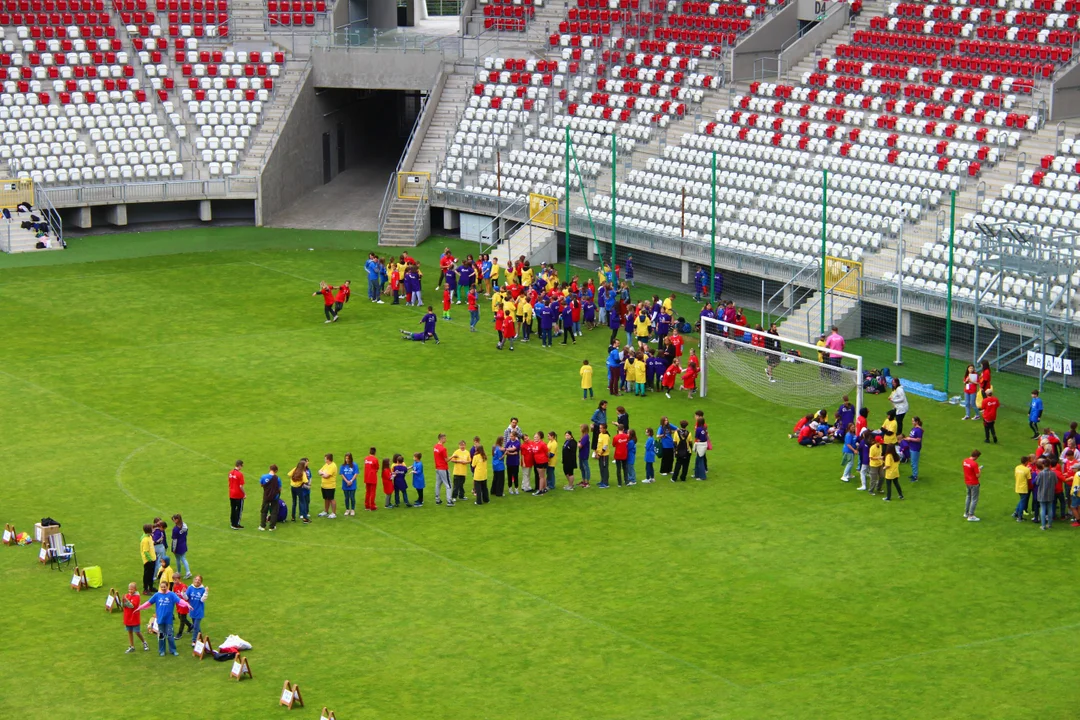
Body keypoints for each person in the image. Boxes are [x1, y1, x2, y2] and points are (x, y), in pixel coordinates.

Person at [136, 580, 190, 657]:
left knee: (170, 635)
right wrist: (140, 608)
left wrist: (187, 604)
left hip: (168, 620)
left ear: (167, 586)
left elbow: (180, 601)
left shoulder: (171, 595)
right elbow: (148, 603)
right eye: (162, 587)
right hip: (160, 620)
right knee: (161, 636)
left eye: (164, 587)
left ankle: (173, 650)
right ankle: (162, 650)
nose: (163, 588)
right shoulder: (157, 595)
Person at [121, 582, 149, 653]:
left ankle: (144, 642)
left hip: (134, 617)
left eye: (132, 589)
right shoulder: (127, 595)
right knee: (129, 631)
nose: (130, 591)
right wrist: (122, 601)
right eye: (129, 589)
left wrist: (126, 600)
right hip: (128, 617)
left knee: (137, 632)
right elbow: (123, 605)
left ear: (135, 589)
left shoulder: (137, 597)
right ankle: (132, 646)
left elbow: (132, 606)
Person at [183, 575, 208, 644]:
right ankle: (200, 637)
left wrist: (206, 592)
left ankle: (194, 640)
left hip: (199, 611)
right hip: (192, 610)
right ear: (193, 580)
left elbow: (202, 600)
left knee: (195, 626)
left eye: (199, 580)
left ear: (201, 582)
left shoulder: (202, 589)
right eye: (196, 579)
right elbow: (186, 598)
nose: (197, 581)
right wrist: (183, 593)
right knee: (196, 626)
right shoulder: (190, 588)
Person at [1034, 458, 1057, 529]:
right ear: (1050, 465)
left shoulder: (1041, 473)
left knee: (1043, 508)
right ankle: (1049, 524)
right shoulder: (1053, 473)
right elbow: (1056, 482)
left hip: (1042, 493)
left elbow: (1037, 482)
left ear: (1043, 465)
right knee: (1050, 509)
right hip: (1050, 493)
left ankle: (1043, 525)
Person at [258, 465, 281, 532]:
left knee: (264, 511)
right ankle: (272, 527)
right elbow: (280, 488)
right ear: (276, 471)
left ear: (270, 469)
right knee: (274, 511)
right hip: (275, 497)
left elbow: (261, 485)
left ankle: (262, 526)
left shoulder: (263, 477)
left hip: (266, 496)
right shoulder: (277, 478)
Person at [288, 458, 311, 522]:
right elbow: (306, 481)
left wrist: (293, 479)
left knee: (294, 502)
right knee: (302, 502)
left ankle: (293, 517)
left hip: (292, 487)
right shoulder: (303, 472)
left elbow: (289, 474)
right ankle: (305, 518)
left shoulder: (295, 469)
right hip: (299, 488)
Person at [432, 435, 452, 506]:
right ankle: (449, 501)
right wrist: (453, 456)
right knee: (448, 485)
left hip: (437, 468)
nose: (445, 439)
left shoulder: (435, 447)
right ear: (441, 439)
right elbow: (446, 460)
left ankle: (437, 500)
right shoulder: (443, 449)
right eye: (444, 438)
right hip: (443, 468)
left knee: (438, 484)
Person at [963, 449, 982, 522]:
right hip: (974, 483)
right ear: (976, 456)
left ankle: (966, 513)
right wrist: (979, 470)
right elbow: (978, 475)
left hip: (967, 481)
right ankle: (971, 515)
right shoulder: (974, 464)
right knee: (974, 499)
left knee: (968, 497)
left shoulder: (965, 461)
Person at [317, 453, 339, 519]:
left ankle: (334, 513)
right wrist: (323, 473)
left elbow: (326, 476)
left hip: (330, 486)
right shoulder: (326, 465)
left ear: (328, 459)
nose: (324, 459)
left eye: (325, 458)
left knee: (331, 499)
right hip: (324, 485)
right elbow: (319, 471)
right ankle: (326, 511)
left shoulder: (333, 466)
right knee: (326, 498)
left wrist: (322, 474)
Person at [170, 514, 190, 579]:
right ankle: (182, 572)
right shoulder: (184, 526)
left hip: (178, 545)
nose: (173, 521)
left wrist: (174, 548)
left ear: (177, 520)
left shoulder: (175, 529)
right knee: (183, 558)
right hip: (183, 543)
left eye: (174, 520)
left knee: (179, 559)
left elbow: (175, 540)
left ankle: (184, 572)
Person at [1013, 455, 1033, 522]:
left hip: (1017, 486)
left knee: (1021, 500)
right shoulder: (1027, 470)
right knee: (1023, 502)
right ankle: (1019, 517)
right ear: (1026, 462)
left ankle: (1016, 512)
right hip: (1024, 487)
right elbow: (1029, 479)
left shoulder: (1017, 467)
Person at [172, 575, 192, 639]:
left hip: (184, 605)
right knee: (180, 617)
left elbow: (186, 596)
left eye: (176, 580)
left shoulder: (183, 586)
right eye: (173, 580)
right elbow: (174, 595)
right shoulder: (175, 586)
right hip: (178, 605)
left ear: (179, 579)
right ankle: (190, 625)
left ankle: (179, 633)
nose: (174, 581)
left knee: (182, 619)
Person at [228, 460, 245, 530]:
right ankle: (236, 524)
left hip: (231, 494)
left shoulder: (230, 473)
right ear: (240, 465)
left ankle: (232, 523)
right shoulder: (240, 474)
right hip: (238, 495)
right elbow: (241, 486)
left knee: (233, 509)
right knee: (239, 510)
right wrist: (244, 493)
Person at [340, 452, 359, 516]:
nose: (347, 460)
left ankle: (352, 509)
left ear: (351, 458)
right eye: (346, 458)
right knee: (346, 497)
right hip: (345, 484)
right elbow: (342, 474)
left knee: (352, 497)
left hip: (352, 484)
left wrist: (351, 481)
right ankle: (347, 509)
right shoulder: (342, 466)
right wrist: (347, 481)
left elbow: (356, 474)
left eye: (348, 458)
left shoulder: (354, 465)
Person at [140, 524, 156, 594]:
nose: (153, 530)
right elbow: (145, 551)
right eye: (152, 529)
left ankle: (151, 587)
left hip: (153, 558)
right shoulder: (145, 540)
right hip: (148, 561)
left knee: (151, 574)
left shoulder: (149, 537)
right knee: (147, 575)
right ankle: (145, 589)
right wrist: (150, 559)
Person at [907, 417, 923, 482]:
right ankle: (913, 474)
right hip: (911, 447)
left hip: (915, 448)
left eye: (913, 421)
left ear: (917, 422)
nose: (912, 422)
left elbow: (919, 439)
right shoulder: (914, 428)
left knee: (914, 463)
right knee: (912, 462)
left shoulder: (919, 430)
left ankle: (915, 477)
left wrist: (910, 439)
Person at [595, 423, 611, 488]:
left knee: (605, 468)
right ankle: (602, 480)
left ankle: (606, 483)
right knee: (601, 468)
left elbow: (605, 447)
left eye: (601, 428)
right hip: (600, 454)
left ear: (605, 429)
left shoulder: (606, 436)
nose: (600, 429)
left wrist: (599, 454)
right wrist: (596, 452)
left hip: (604, 455)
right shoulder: (600, 435)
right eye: (599, 428)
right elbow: (599, 444)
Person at [577, 424, 592, 488]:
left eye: (581, 428)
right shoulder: (583, 436)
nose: (580, 429)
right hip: (581, 453)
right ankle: (583, 481)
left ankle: (587, 482)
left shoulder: (586, 436)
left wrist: (578, 444)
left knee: (586, 467)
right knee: (581, 467)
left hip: (584, 454)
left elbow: (580, 445)